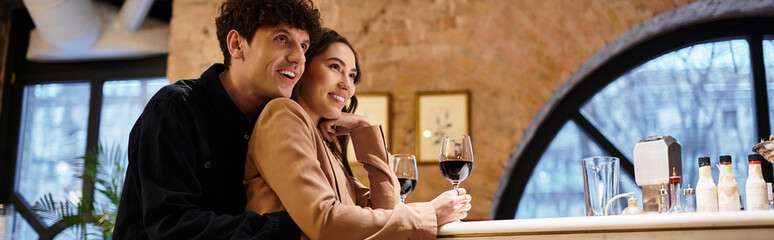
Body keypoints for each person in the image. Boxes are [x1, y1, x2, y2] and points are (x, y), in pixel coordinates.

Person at [114, 0, 321, 239]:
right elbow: (172, 225)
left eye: (304, 46)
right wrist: (283, 230)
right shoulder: (174, 109)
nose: (299, 57)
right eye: (282, 39)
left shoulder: (272, 124)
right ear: (236, 44)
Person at [243, 29, 472, 240]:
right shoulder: (282, 115)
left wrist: (364, 129)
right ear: (303, 67)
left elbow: (388, 211)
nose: (347, 86)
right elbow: (324, 221)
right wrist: (430, 213)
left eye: (352, 76)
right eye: (335, 67)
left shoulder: (325, 148)